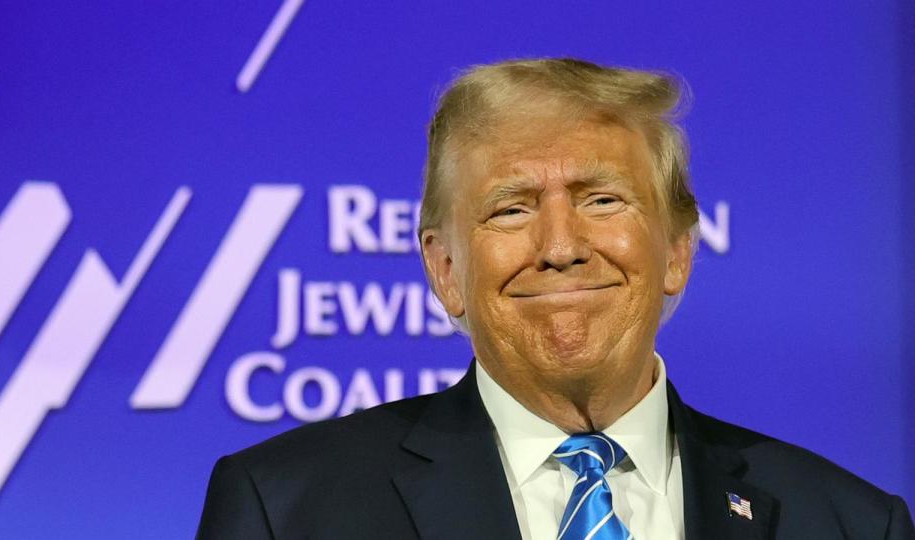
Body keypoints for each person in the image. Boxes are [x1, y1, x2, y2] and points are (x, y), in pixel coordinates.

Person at [195, 58, 914, 539]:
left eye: (603, 199)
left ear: (677, 251)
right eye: (510, 208)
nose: (561, 244)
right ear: (445, 269)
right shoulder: (285, 511)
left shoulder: (848, 523)